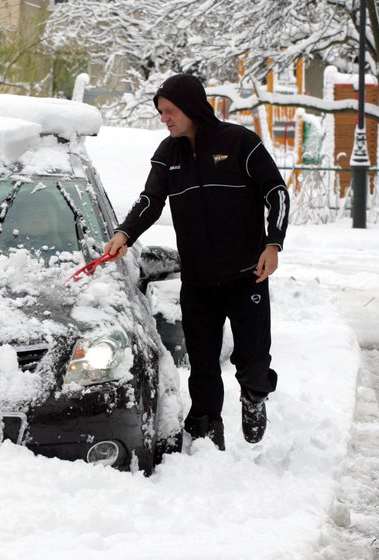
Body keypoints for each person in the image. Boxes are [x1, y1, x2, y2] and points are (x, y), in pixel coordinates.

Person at [104, 73, 289, 450]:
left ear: (190, 108)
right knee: (202, 368)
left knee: (253, 364)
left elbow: (276, 192)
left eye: (170, 111)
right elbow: (150, 200)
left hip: (246, 277)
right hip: (199, 283)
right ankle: (206, 434)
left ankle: (254, 398)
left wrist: (273, 244)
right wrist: (125, 233)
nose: (165, 118)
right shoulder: (168, 153)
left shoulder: (239, 142)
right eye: (160, 112)